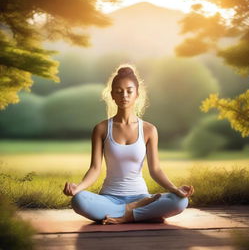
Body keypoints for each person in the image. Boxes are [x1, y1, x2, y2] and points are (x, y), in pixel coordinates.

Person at [63, 64, 194, 225]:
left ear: (137, 94)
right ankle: (139, 212)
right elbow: (95, 168)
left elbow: (156, 169)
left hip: (141, 196)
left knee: (180, 202)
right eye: (118, 91)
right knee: (79, 200)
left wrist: (175, 190)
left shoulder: (149, 130)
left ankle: (128, 215)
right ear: (112, 95)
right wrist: (78, 188)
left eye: (129, 91)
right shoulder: (101, 129)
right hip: (109, 198)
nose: (124, 95)